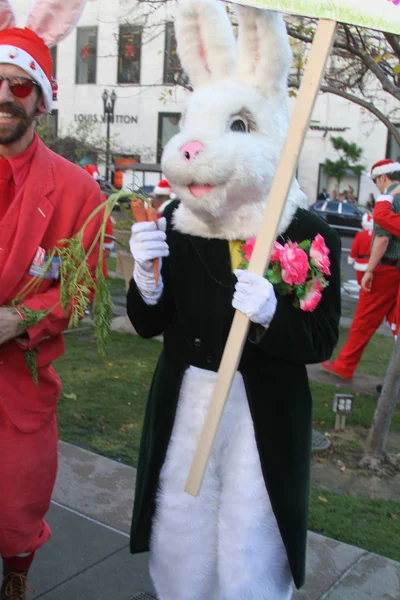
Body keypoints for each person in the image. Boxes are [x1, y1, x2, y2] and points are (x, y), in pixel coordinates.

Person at [127, 2, 341, 598]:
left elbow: (322, 339)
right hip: (187, 397)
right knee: (181, 514)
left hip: (261, 409)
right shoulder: (175, 221)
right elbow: (149, 324)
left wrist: (273, 316)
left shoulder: (302, 230)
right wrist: (147, 279)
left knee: (252, 523)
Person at [0, 2, 101, 598]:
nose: (4, 97)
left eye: (18, 85)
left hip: (22, 382)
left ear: (40, 98)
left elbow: (80, 291)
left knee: (18, 501)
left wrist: (20, 318)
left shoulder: (76, 188)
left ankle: (15, 577)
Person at [322, 158, 400, 379]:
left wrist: (369, 270)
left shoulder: (389, 200)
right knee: (395, 325)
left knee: (363, 321)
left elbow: (382, 239)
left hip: (386, 270)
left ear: (383, 177)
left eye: (377, 181)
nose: (377, 185)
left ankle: (345, 366)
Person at [347, 213, 374, 286]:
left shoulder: (360, 234)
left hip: (361, 263)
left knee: (360, 283)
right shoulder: (377, 235)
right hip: (374, 263)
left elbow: (354, 248)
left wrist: (351, 259)